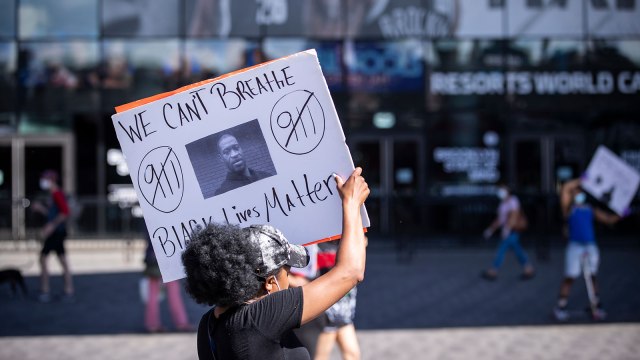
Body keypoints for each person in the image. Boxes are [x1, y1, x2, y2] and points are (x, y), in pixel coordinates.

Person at [182, 167, 369, 360]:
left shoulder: (208, 325)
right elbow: (350, 272)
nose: (289, 279)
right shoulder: (260, 319)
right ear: (270, 283)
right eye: (286, 272)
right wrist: (351, 203)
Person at [553, 178, 620, 321]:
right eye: (576, 192)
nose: (578, 194)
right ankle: (561, 305)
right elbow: (565, 188)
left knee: (592, 276)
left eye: (580, 192)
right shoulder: (569, 209)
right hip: (575, 246)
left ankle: (596, 305)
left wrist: (621, 213)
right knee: (570, 276)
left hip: (590, 246)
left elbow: (608, 219)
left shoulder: (590, 209)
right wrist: (582, 180)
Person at [31, 170, 74, 302]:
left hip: (56, 232)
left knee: (44, 258)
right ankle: (67, 289)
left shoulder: (56, 194)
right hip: (57, 231)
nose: (43, 182)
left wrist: (51, 226)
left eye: (45, 179)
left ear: (52, 181)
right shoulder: (53, 194)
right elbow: (54, 213)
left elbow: (65, 212)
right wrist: (41, 209)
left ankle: (46, 290)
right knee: (60, 259)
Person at [314, 240, 361, 360]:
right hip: (328, 311)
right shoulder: (321, 246)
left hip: (344, 312)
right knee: (321, 356)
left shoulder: (349, 240)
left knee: (352, 354)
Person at [142, 228, 194, 333]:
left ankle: (152, 324)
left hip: (153, 256)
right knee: (173, 291)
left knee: (154, 293)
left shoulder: (149, 216)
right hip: (167, 255)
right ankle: (181, 323)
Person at [481, 184, 535, 281]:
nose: (500, 193)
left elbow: (514, 215)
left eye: (502, 191)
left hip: (512, 231)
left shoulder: (513, 201)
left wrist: (507, 229)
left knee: (502, 249)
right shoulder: (502, 204)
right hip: (508, 231)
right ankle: (528, 269)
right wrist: (490, 230)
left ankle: (493, 270)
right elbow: (500, 219)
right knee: (518, 250)